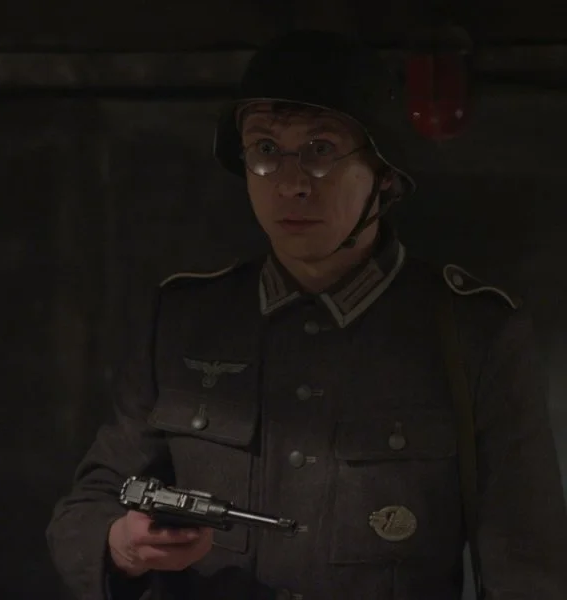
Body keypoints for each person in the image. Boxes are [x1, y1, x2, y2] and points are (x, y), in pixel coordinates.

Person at [45, 29, 567, 600]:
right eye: (266, 149)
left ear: (384, 174)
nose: (290, 184)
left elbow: (529, 571)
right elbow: (88, 504)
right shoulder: (184, 319)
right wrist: (122, 544)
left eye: (321, 149)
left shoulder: (474, 333)